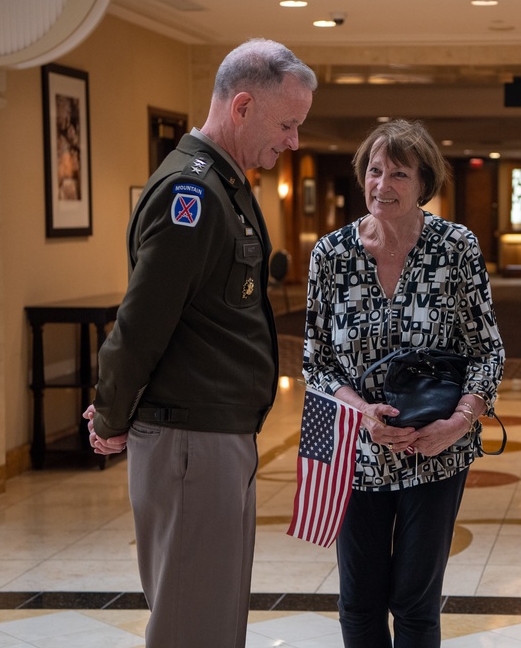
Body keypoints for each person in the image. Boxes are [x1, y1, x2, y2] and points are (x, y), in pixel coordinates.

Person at [84, 38, 317, 648]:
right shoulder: (191, 195)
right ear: (241, 106)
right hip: (190, 441)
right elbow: (142, 321)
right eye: (287, 124)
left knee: (212, 618)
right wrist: (110, 413)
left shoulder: (225, 184)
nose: (293, 141)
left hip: (214, 438)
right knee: (193, 623)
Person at [302, 119, 504, 647]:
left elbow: (486, 351)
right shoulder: (331, 255)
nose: (381, 185)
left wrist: (459, 423)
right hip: (352, 444)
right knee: (360, 600)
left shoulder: (455, 248)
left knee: (415, 601)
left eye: (398, 173)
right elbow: (316, 361)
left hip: (434, 446)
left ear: (423, 183)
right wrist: (362, 412)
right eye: (373, 170)